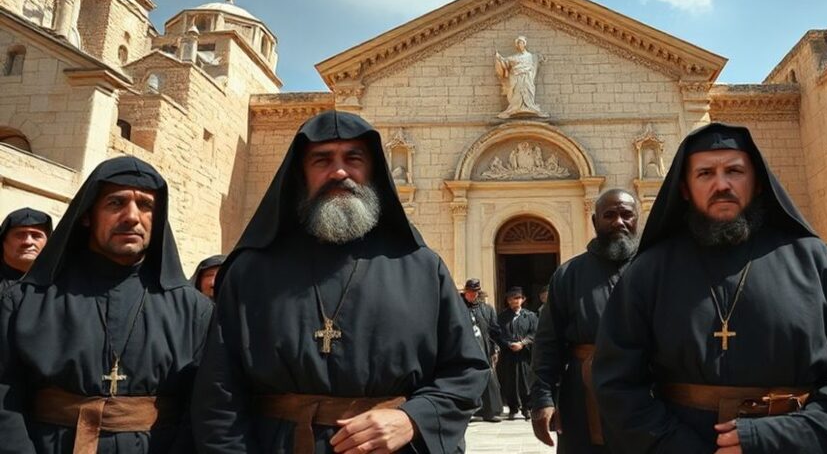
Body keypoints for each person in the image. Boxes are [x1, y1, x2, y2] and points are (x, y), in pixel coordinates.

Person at [192, 110, 489, 453]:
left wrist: (412, 418)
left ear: (373, 172)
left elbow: (467, 370)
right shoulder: (251, 271)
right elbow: (219, 393)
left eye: (353, 158)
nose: (339, 172)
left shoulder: (422, 268)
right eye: (321, 160)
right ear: (300, 175)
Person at [593, 123, 827, 453]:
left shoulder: (813, 259)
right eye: (705, 173)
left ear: (758, 182)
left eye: (734, 171)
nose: (722, 184)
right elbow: (616, 381)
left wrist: (801, 433)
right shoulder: (649, 271)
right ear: (685, 189)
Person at [0, 156, 214, 453]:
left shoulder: (195, 311)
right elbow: (4, 398)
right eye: (116, 203)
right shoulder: (26, 301)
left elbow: (204, 408)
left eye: (146, 206)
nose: (132, 216)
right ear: (88, 215)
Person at [531, 189, 640, 453]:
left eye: (626, 215)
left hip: (646, 392)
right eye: (609, 215)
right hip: (584, 397)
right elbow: (547, 343)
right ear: (594, 222)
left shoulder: (655, 267)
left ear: (637, 219)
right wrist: (543, 399)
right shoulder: (568, 274)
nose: (618, 222)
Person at [462, 278, 504, 423]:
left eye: (475, 292)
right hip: (464, 350)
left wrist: (495, 347)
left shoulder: (487, 309)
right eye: (470, 292)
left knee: (489, 378)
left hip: (484, 348)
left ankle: (491, 411)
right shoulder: (458, 307)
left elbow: (494, 330)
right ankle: (469, 412)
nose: (473, 295)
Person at [497, 286, 538, 420]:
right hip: (508, 354)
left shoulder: (530, 316)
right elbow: (498, 334)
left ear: (523, 299)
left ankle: (527, 407)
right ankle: (513, 408)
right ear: (508, 301)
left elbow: (534, 333)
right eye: (512, 299)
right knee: (510, 381)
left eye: (517, 298)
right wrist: (508, 344)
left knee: (525, 381)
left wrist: (523, 343)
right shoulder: (502, 317)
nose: (515, 301)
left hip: (525, 354)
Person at [494, 35, 547, 118]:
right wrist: (499, 58)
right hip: (517, 78)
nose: (520, 45)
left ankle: (529, 106)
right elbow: (505, 62)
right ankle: (516, 107)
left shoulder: (531, 56)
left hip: (527, 78)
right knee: (517, 92)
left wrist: (540, 57)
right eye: (518, 44)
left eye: (521, 43)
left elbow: (538, 59)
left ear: (524, 44)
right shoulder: (515, 57)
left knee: (528, 90)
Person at [0, 207, 52, 292]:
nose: (28, 242)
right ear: (4, 242)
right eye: (19, 235)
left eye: (36, 236)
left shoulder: (57, 288)